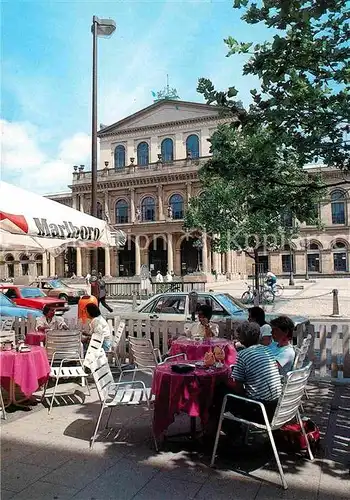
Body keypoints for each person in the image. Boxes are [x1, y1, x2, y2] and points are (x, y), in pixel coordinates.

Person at [211, 321, 282, 426]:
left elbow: (238, 387)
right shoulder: (267, 350)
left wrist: (225, 379)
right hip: (276, 407)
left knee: (220, 390)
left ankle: (225, 429)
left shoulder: (243, 355)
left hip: (259, 410)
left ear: (242, 338)